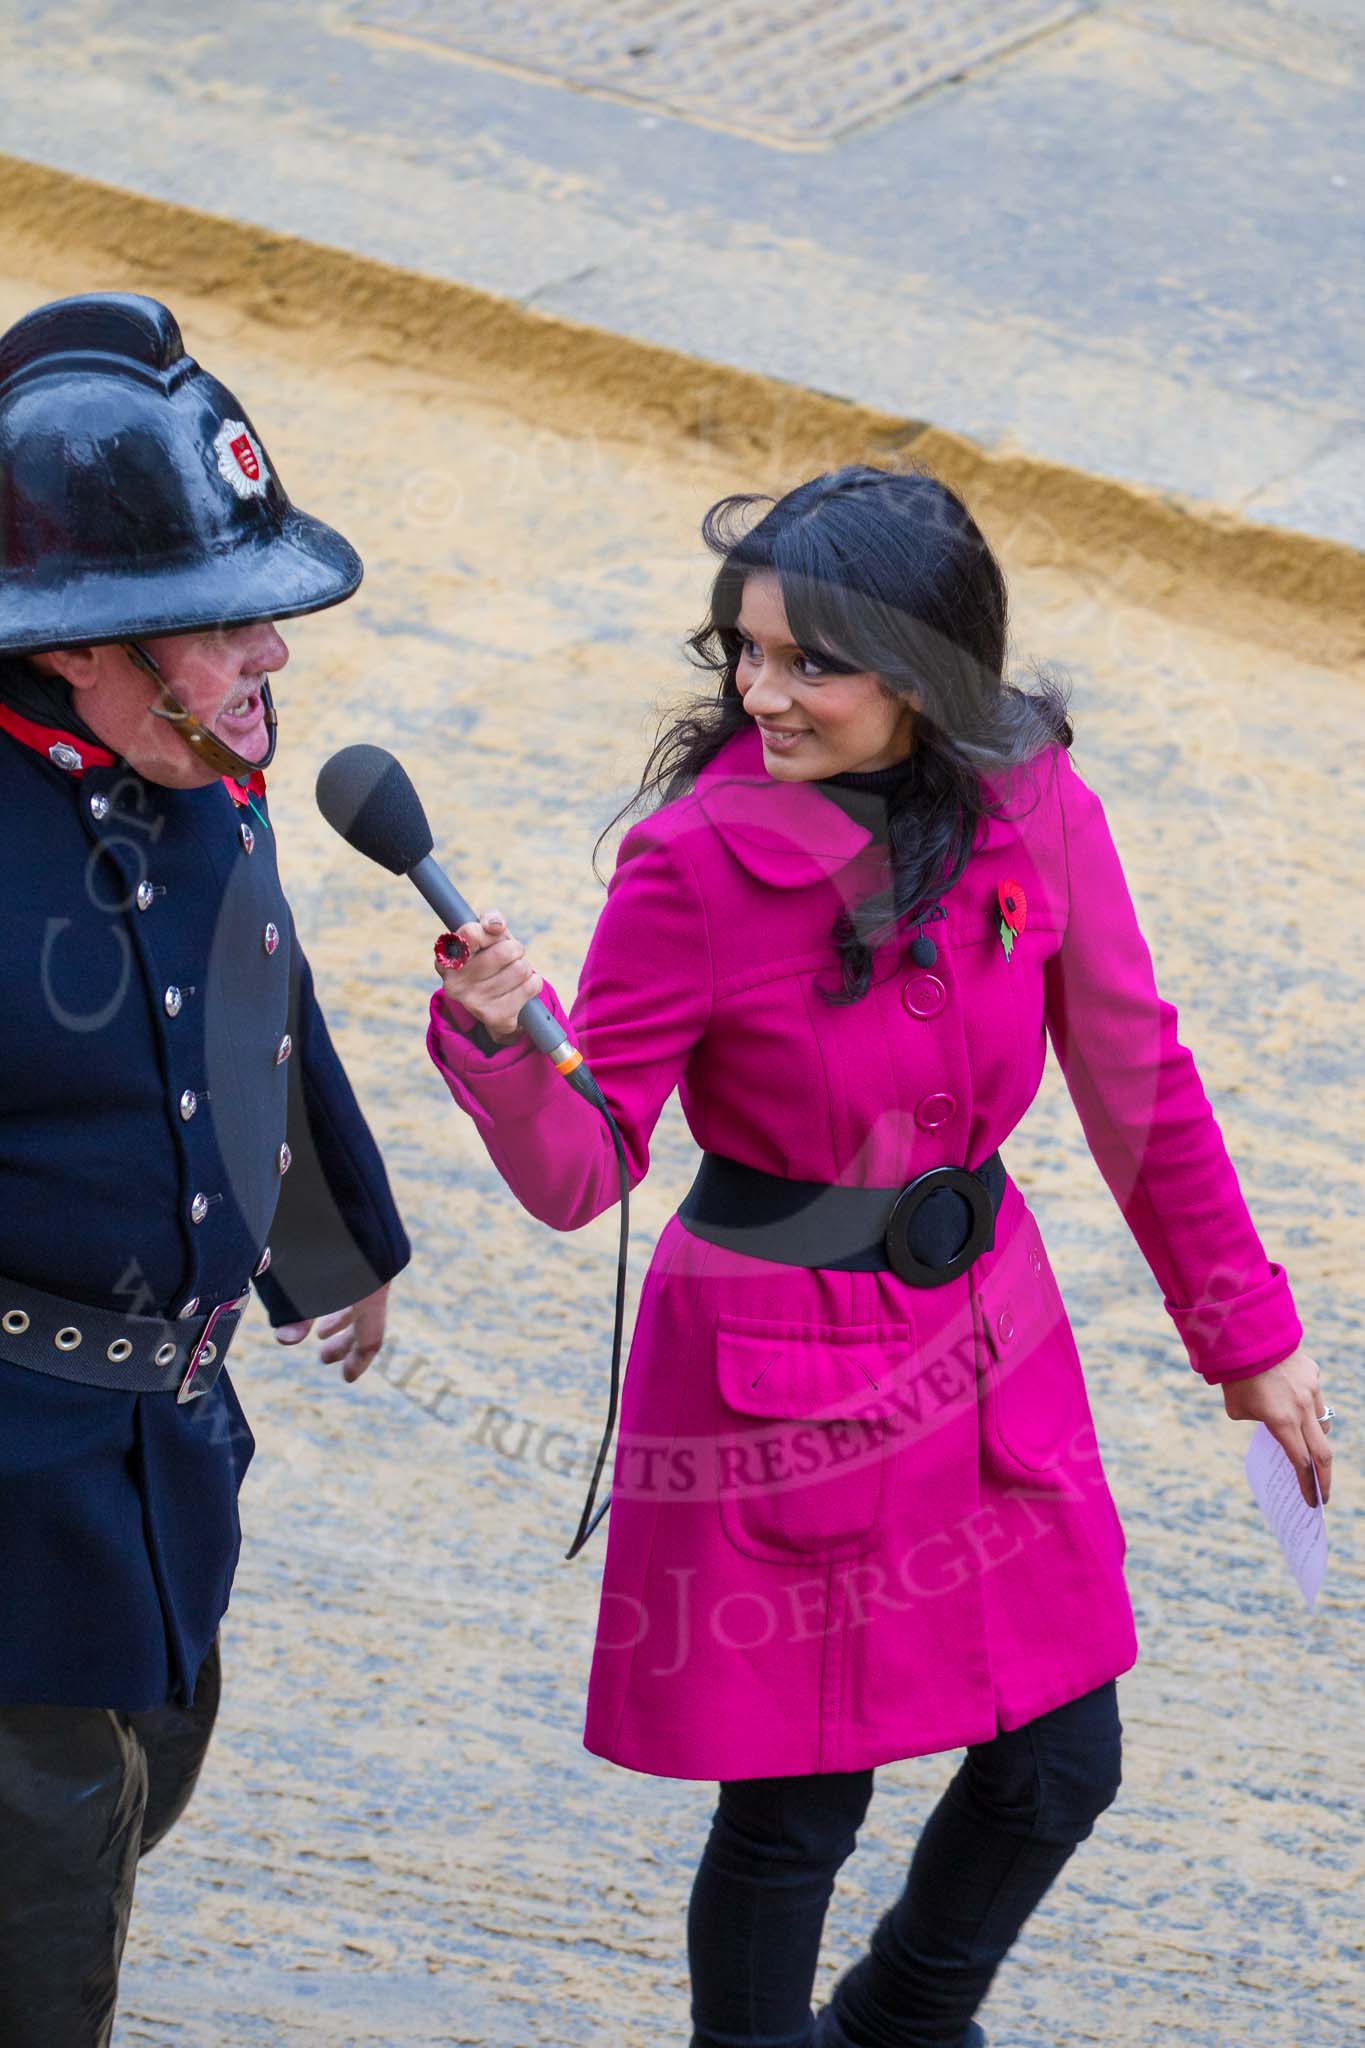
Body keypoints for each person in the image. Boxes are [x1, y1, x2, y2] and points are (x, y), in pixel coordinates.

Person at [423, 466, 1333, 2048]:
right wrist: (503, 1044)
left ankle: (901, 2025)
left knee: (1058, 1768)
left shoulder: (1033, 797)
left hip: (993, 1342)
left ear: (923, 664)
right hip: (777, 1381)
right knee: (796, 1816)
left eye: (806, 662)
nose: (761, 693)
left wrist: (1244, 1337)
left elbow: (1136, 1078)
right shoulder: (689, 865)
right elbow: (588, 1171)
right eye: (743, 654)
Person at [0, 292, 411, 2048]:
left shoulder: (202, 772)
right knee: (56, 1825)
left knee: (155, 1753)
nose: (274, 666)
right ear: (77, 642)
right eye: (226, 627)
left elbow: (255, 1008)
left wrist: (334, 1244)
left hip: (162, 1426)